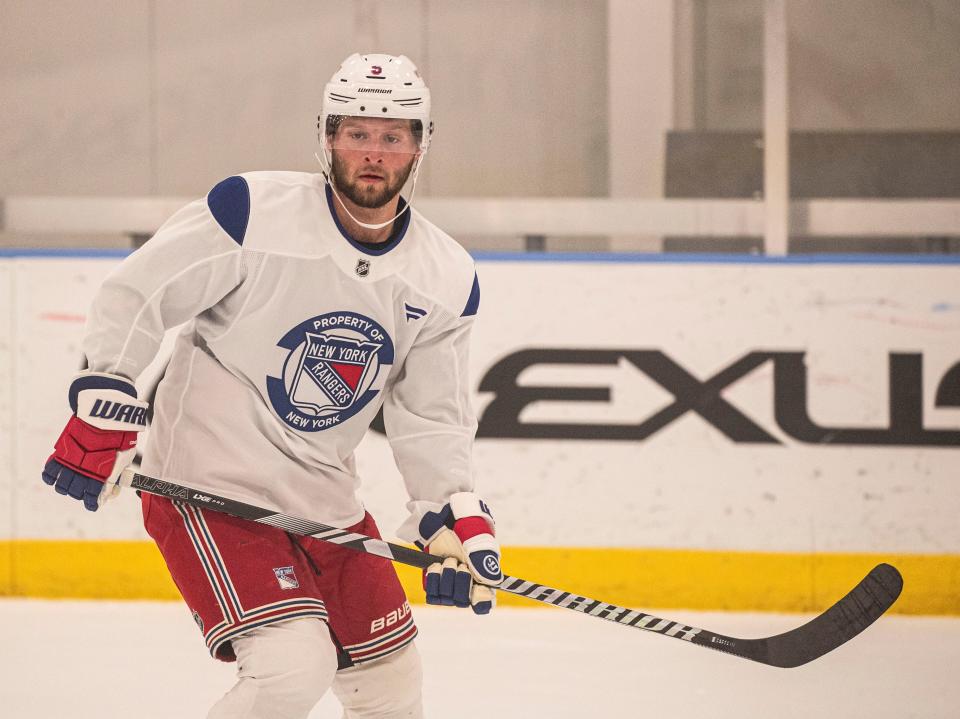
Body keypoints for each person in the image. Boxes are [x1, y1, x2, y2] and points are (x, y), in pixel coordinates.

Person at [40, 52, 501, 719]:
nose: (373, 152)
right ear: (325, 136)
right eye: (356, 132)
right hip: (208, 484)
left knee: (392, 684)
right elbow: (142, 293)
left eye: (393, 135)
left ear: (421, 145)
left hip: (323, 501)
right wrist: (107, 392)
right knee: (292, 666)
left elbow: (431, 416)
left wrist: (447, 513)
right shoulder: (252, 212)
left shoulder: (445, 277)